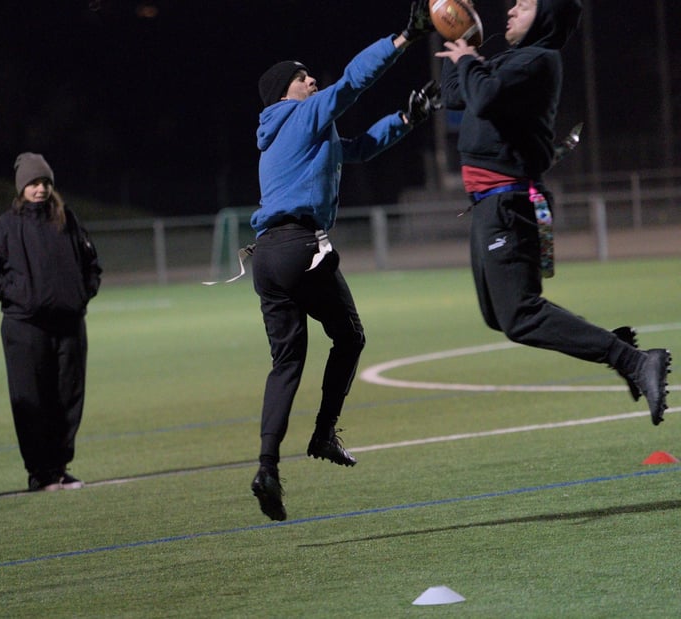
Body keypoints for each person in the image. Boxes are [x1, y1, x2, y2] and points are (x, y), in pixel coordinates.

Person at [435, 0, 671, 425]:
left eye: (523, 6)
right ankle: (619, 349)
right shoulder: (512, 60)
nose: (509, 10)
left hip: (508, 202)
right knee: (499, 315)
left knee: (520, 314)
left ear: (544, 18)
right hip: (490, 203)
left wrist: (470, 60)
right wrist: (459, 38)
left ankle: (633, 360)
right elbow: (457, 94)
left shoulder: (539, 60)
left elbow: (483, 97)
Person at [249, 1, 441, 521]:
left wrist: (406, 118)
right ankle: (322, 434)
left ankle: (267, 467)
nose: (312, 80)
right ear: (285, 91)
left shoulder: (286, 134)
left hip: (266, 257)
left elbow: (356, 148)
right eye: (302, 77)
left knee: (286, 363)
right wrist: (404, 38)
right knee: (351, 336)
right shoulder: (301, 114)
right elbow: (352, 83)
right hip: (299, 248)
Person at [0, 153, 102, 492]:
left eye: (44, 182)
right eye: (33, 183)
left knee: (68, 399)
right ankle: (39, 473)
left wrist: (82, 294)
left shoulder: (67, 220)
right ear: (21, 188)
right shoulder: (6, 227)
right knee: (33, 401)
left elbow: (92, 264)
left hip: (70, 325)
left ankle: (59, 469)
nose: (40, 188)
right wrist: (20, 295)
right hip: (25, 328)